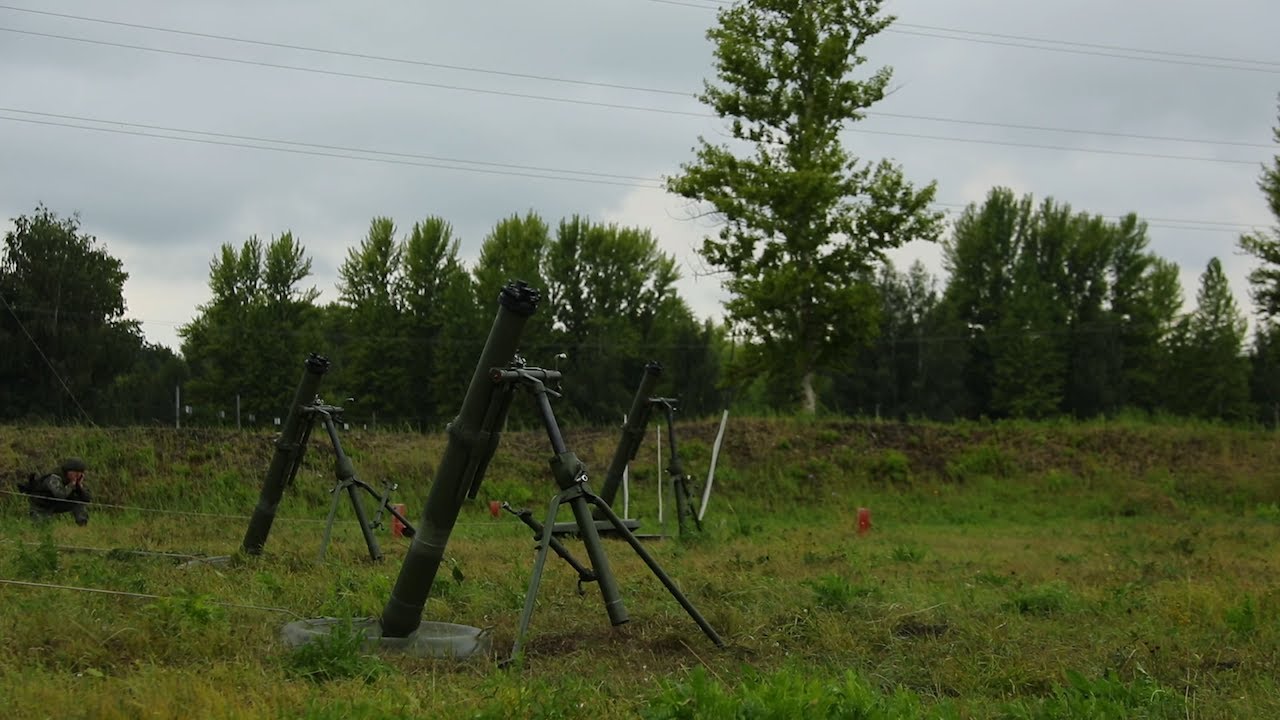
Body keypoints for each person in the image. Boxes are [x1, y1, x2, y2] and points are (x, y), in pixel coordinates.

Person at [21, 457, 91, 526]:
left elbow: (86, 499)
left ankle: (82, 524)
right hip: (41, 504)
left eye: (79, 474)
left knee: (77, 501)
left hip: (55, 504)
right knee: (41, 527)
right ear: (68, 472)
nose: (77, 476)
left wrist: (79, 487)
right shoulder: (54, 478)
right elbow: (60, 495)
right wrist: (72, 485)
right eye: (75, 473)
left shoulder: (75, 481)